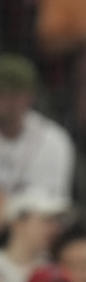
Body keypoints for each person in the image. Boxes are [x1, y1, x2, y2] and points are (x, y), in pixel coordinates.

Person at [0, 54, 75, 198]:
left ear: (30, 97)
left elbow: (51, 204)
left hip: (32, 218)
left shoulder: (53, 140)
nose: (3, 101)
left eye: (12, 94)